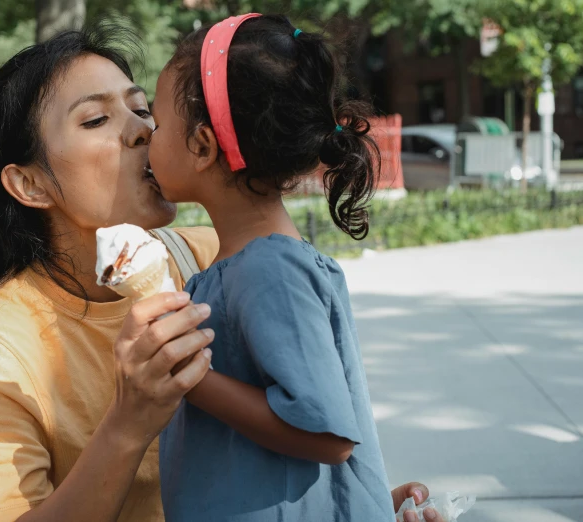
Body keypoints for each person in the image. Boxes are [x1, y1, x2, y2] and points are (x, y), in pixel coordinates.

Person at [0, 24, 445, 522]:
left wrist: (363, 503)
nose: (141, 130)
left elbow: (314, 431)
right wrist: (128, 423)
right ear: (30, 184)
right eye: (95, 120)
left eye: (142, 109)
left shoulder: (213, 260)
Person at [148, 14, 401, 521]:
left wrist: (190, 377)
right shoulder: (240, 264)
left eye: (156, 125)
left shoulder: (269, 268)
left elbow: (327, 434)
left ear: (201, 146)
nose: (144, 140)